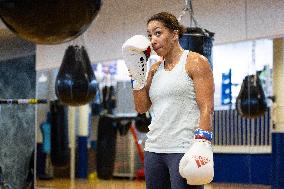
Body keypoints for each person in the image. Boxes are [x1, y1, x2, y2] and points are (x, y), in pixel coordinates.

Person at [122, 12, 214, 189]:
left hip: (183, 148)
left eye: (158, 33)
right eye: (149, 35)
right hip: (154, 149)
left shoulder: (195, 62)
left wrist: (202, 143)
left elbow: (207, 107)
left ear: (174, 34)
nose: (153, 40)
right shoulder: (155, 69)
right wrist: (136, 76)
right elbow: (141, 107)